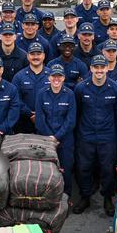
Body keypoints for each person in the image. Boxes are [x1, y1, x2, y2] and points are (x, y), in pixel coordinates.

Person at [74, 55, 117, 215]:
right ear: (91, 69)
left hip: (107, 136)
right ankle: (85, 197)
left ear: (107, 68)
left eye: (102, 67)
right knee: (84, 168)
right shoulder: (81, 88)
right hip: (86, 135)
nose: (99, 70)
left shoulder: (116, 89)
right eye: (96, 67)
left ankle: (107, 198)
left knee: (107, 169)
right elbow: (78, 112)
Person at [35, 65, 77, 196]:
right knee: (46, 170)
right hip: (45, 139)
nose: (56, 79)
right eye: (54, 76)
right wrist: (50, 138)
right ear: (49, 77)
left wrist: (57, 137)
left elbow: (71, 120)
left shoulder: (70, 94)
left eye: (59, 76)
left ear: (64, 77)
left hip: (65, 140)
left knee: (65, 169)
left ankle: (66, 196)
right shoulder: (41, 93)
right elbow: (40, 119)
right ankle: (47, 197)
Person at [11, 42, 50, 133]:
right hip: (24, 124)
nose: (35, 57)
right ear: (28, 56)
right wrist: (29, 113)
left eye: (38, 54)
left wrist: (40, 114)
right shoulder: (19, 77)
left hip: (47, 123)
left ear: (43, 56)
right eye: (32, 54)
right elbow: (15, 99)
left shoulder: (52, 76)